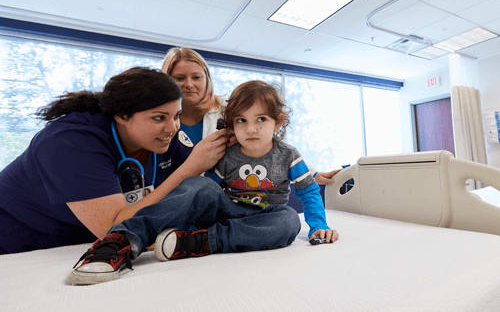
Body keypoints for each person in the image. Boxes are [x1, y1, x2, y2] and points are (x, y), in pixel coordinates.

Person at [66, 80, 338, 286]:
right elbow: (203, 194)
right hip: (227, 209)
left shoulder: (289, 157)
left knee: (289, 221)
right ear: (230, 124)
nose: (251, 129)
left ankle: (198, 243)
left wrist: (319, 226)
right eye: (241, 121)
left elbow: (310, 192)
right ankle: (123, 240)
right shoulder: (227, 155)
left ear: (278, 123)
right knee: (197, 185)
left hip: (264, 217)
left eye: (261, 120)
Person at [0, 67, 227, 255]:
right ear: (121, 115)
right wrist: (188, 169)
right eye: (159, 118)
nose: (173, 127)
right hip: (17, 238)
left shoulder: (168, 136)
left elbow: (193, 194)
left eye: (176, 115)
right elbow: (115, 228)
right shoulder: (70, 142)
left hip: (77, 241)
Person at [162, 47, 341, 185]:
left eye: (196, 77)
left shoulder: (229, 109)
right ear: (167, 80)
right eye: (179, 78)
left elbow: (268, 143)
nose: (189, 84)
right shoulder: (160, 120)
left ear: (207, 79)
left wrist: (311, 174)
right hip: (175, 191)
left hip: (225, 190)